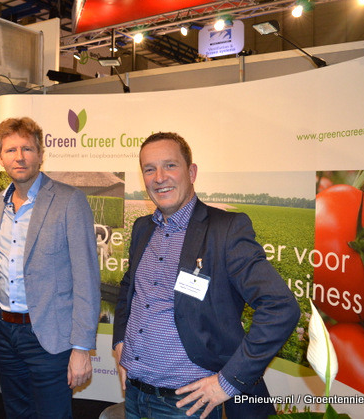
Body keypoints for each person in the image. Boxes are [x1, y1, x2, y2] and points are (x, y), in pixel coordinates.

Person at [113, 132, 300, 419]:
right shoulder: (142, 228)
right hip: (135, 395)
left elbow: (281, 307)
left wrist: (228, 382)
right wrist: (120, 342)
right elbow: (129, 288)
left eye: (170, 166)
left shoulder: (225, 230)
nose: (159, 177)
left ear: (191, 172)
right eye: (149, 169)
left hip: (186, 405)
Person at [0, 117, 101, 418]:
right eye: (10, 150)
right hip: (5, 334)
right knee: (17, 413)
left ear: (41, 154)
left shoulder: (69, 201)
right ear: (0, 157)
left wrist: (82, 348)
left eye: (27, 149)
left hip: (49, 338)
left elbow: (86, 280)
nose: (19, 157)